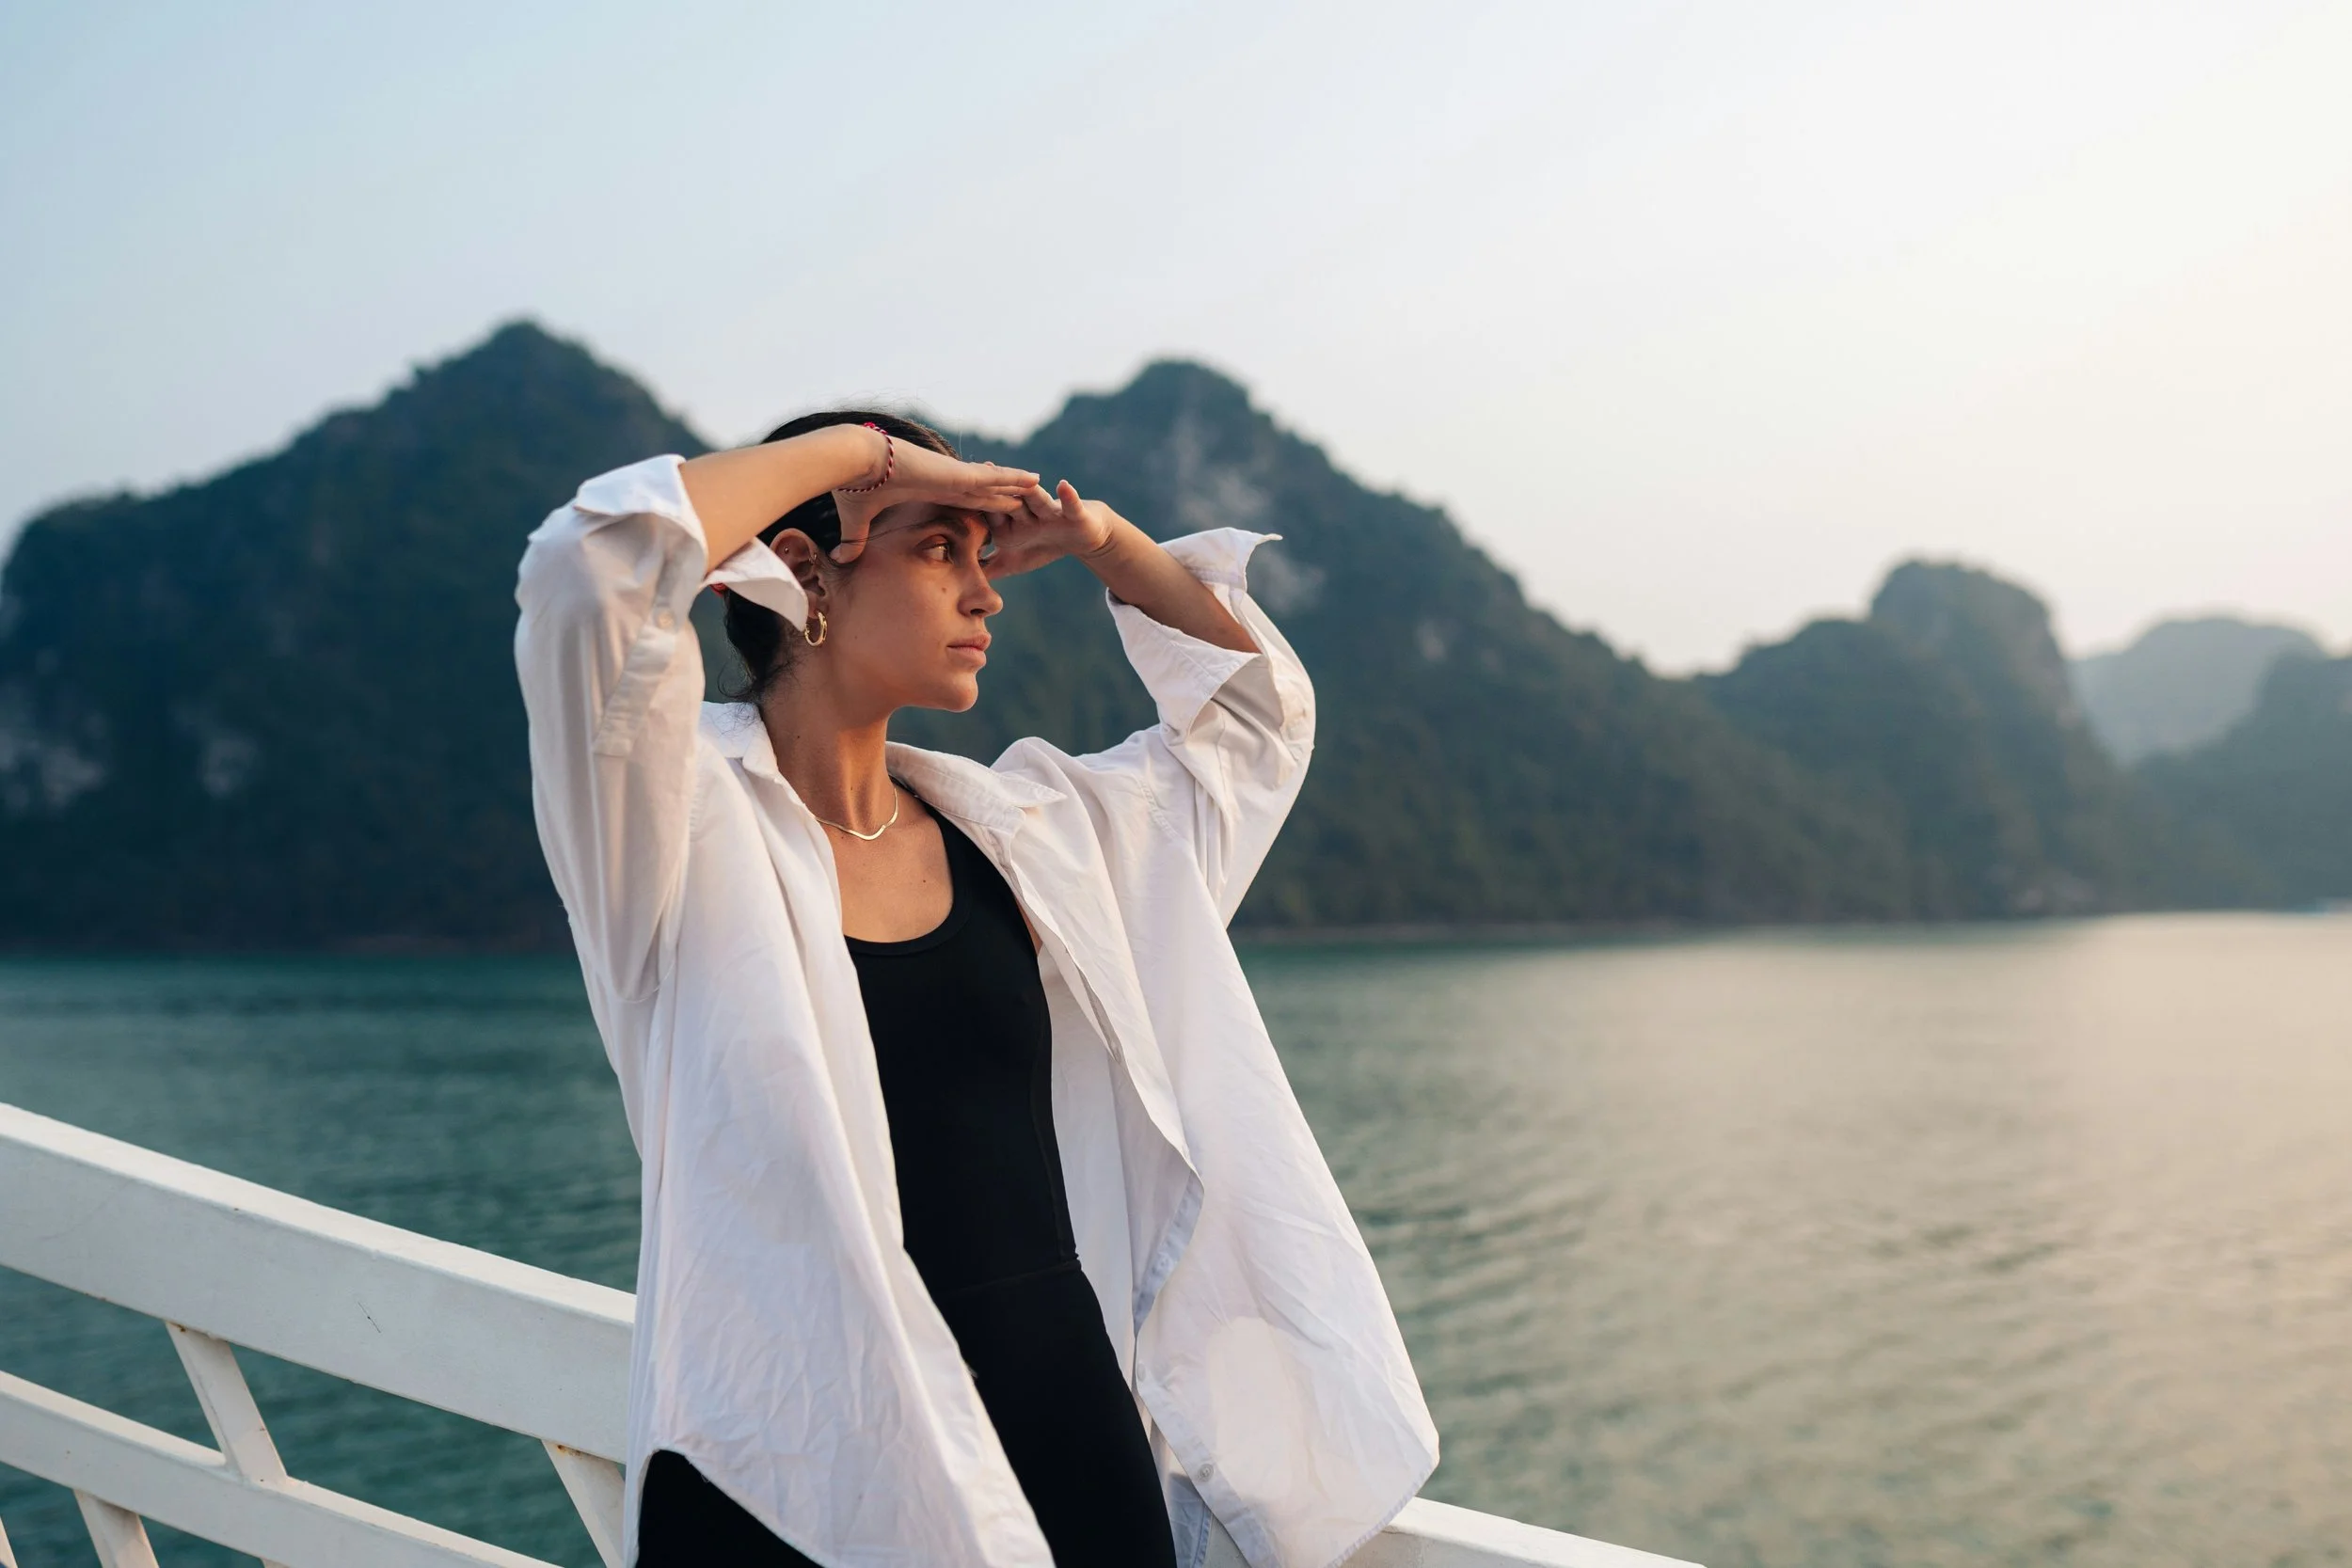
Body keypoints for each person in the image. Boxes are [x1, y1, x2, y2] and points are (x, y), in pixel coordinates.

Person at [515, 409, 1437, 1568]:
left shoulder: (1036, 838)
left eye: (979, 551)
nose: (986, 592)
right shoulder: (677, 829)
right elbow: (588, 569)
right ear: (805, 573)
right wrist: (863, 453)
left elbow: (1250, 722)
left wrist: (1102, 539)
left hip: (1065, 1438)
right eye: (936, 547)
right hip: (795, 1460)